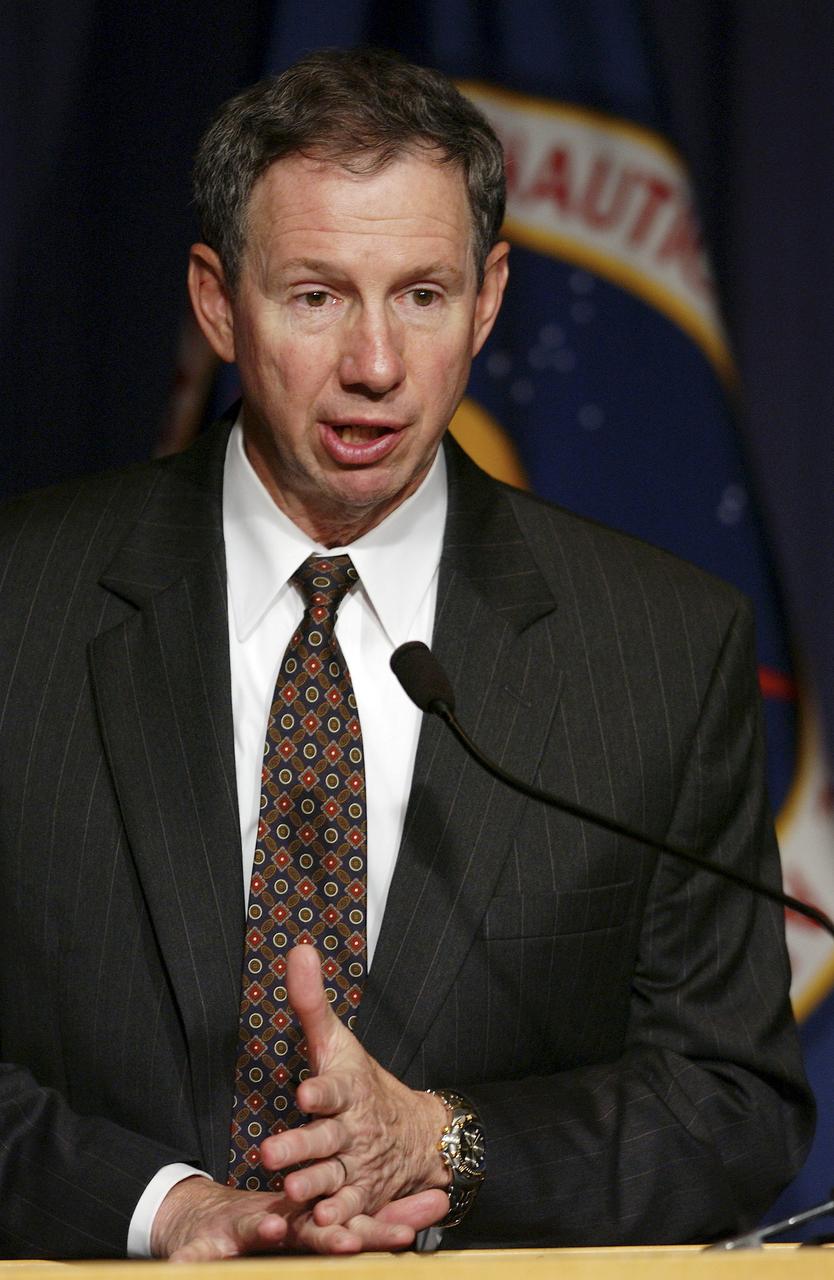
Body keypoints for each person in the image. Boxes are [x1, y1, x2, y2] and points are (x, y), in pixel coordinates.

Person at [0, 46, 813, 1261]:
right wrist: (163, 1202)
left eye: (421, 296)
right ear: (219, 303)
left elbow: (732, 1102)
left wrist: (445, 1141)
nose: (375, 364)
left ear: (487, 299)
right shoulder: (22, 607)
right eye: (318, 295)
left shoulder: (661, 648)